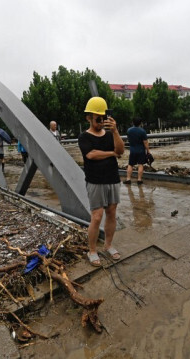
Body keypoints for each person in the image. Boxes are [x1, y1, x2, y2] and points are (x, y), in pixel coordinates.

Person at [78, 97, 124, 266]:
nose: (100, 121)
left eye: (102, 117)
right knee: (97, 217)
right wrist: (111, 154)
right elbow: (91, 154)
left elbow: (121, 150)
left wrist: (116, 131)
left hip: (112, 178)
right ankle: (92, 250)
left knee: (112, 213)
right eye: (97, 118)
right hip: (95, 181)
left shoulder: (110, 134)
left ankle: (109, 245)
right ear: (88, 117)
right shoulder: (84, 137)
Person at [123, 117, 150, 185]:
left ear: (132, 122)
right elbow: (145, 142)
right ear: (140, 123)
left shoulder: (129, 130)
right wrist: (148, 151)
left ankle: (128, 179)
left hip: (132, 150)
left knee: (130, 165)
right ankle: (139, 180)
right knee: (140, 165)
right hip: (141, 150)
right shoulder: (142, 131)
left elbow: (128, 139)